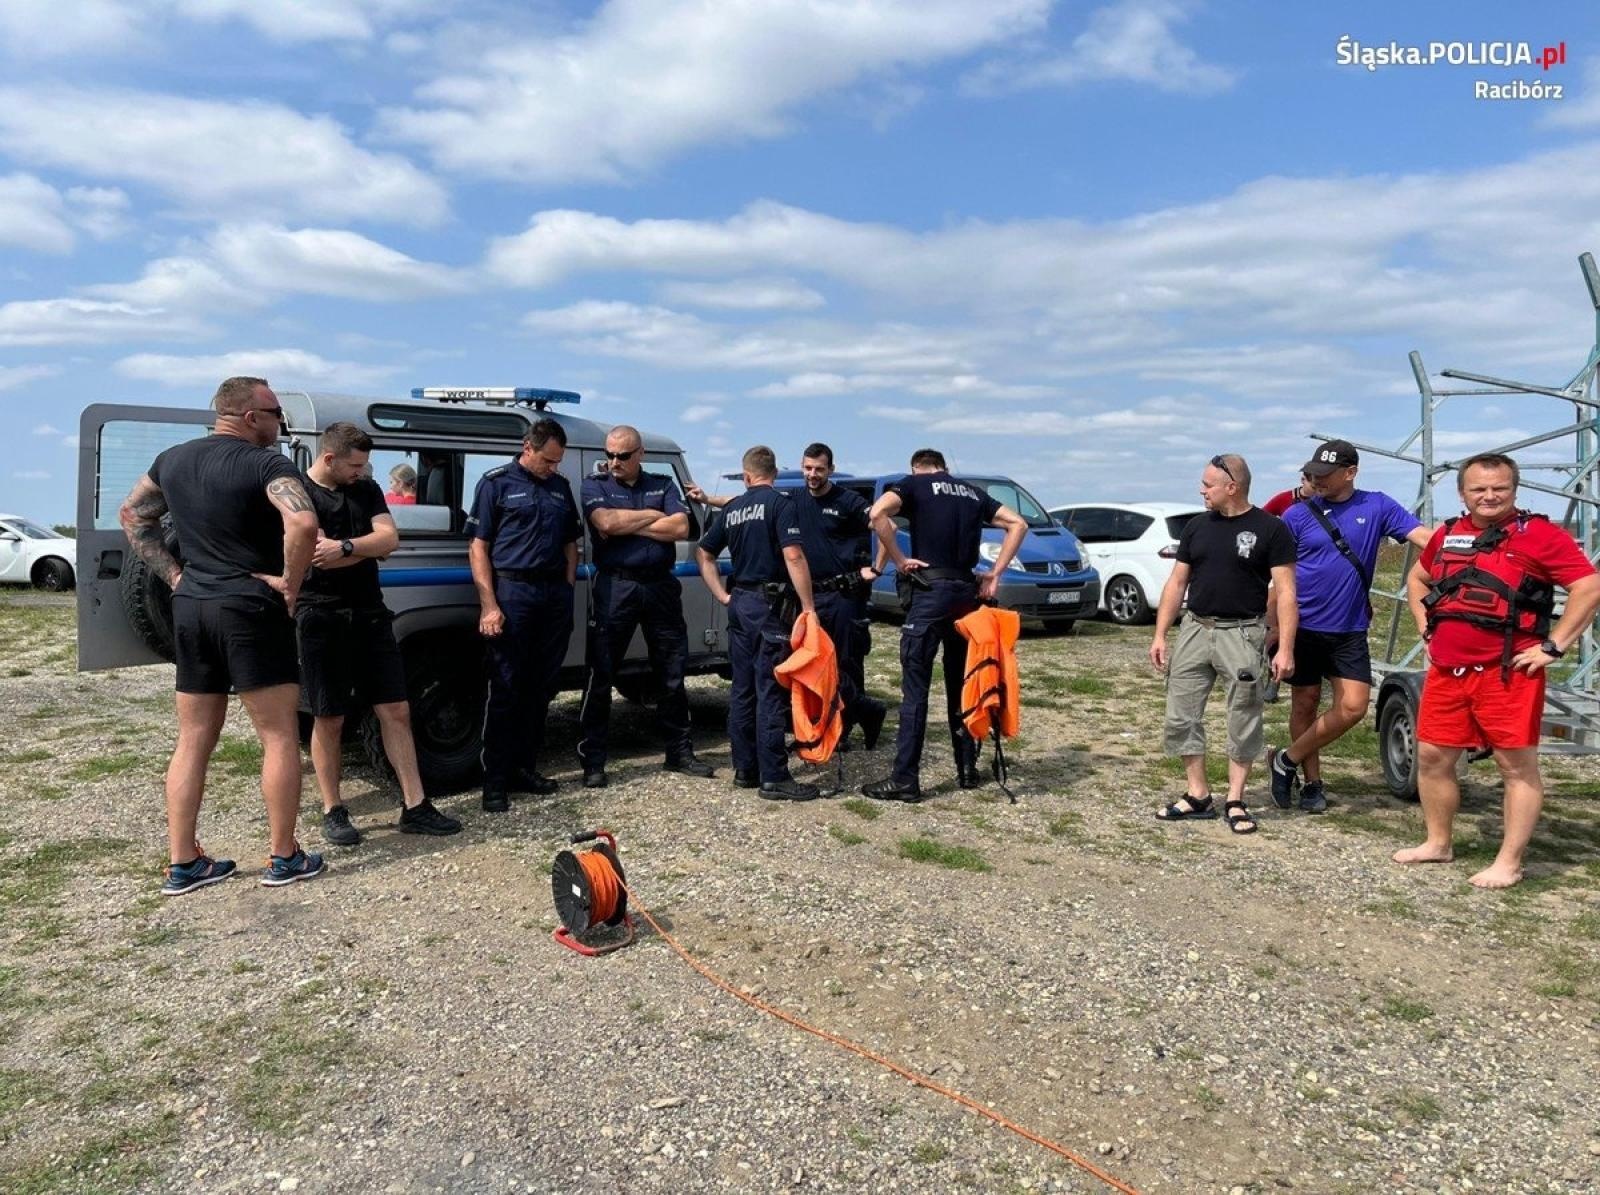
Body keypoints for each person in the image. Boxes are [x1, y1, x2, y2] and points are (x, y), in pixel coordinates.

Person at [118, 376, 323, 893]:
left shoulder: (173, 459)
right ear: (250, 416)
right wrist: (291, 585)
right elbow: (301, 524)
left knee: (192, 740)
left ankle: (184, 863)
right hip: (250, 606)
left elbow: (133, 515)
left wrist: (174, 576)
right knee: (277, 736)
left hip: (191, 607)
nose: (281, 423)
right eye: (276, 412)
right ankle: (285, 857)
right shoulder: (266, 464)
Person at [1393, 452, 1600, 888]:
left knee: (1515, 766)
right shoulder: (1448, 533)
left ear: (1514, 489)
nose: (1488, 496)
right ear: (1462, 492)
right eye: (1479, 489)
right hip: (1448, 671)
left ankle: (1509, 862)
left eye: (1498, 488)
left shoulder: (1539, 535)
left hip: (1507, 672)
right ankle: (1438, 843)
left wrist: (1554, 646)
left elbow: (1589, 585)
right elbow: (1418, 580)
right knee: (1432, 757)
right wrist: (1425, 629)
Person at [297, 422, 462, 843]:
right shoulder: (298, 492)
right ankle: (333, 810)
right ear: (329, 458)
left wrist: (348, 547)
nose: (361, 472)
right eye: (354, 465)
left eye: (365, 465)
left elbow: (388, 539)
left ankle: (415, 806)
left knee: (397, 711)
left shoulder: (367, 490)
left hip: (371, 614)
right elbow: (314, 556)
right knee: (329, 716)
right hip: (321, 615)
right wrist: (358, 547)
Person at [1265, 440, 1433, 813]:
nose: (1317, 480)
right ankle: (1312, 784)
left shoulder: (1377, 506)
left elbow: (1425, 538)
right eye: (1314, 473)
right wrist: (1275, 626)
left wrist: (1464, 549)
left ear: (1351, 472)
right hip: (1304, 626)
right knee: (1304, 704)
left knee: (1354, 707)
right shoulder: (1298, 515)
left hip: (1349, 628)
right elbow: (1280, 580)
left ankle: (1285, 760)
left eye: (1325, 474)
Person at [859, 449, 1027, 802]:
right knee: (962, 682)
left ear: (916, 468)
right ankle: (966, 770)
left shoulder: (915, 485)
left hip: (930, 593)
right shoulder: (970, 491)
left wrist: (901, 560)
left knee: (915, 690)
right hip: (966, 595)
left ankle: (905, 780)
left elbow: (877, 514)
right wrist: (995, 574)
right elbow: (1018, 524)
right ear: (944, 468)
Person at [1150, 453, 1296, 835]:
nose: (1202, 490)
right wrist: (1161, 633)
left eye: (1208, 484)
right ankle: (1198, 794)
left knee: (1243, 716)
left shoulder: (1271, 529)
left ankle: (1235, 799)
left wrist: (1285, 647)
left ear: (1232, 487)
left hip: (1243, 633)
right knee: (1181, 714)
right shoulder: (1197, 527)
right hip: (1196, 629)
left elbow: (1285, 592)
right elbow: (1176, 583)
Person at [577, 424, 715, 787]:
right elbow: (604, 521)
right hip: (616, 586)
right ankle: (593, 761)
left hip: (659, 585)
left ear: (640, 454)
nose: (613, 462)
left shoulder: (663, 484)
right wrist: (655, 517)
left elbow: (682, 528)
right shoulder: (596, 485)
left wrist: (629, 526)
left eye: (622, 456)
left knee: (671, 672)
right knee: (602, 674)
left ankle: (679, 753)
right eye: (609, 454)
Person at [468, 418, 581, 812]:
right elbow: (478, 547)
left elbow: (571, 541)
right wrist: (489, 604)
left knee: (541, 688)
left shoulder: (560, 488)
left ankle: (525, 768)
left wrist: (566, 587)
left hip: (552, 594)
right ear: (528, 448)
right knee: (506, 688)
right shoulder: (496, 483)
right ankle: (495, 781)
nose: (553, 467)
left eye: (558, 462)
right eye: (548, 460)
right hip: (512, 591)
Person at [694, 445, 819, 801]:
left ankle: (745, 769)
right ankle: (775, 776)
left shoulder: (733, 509)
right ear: (774, 473)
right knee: (770, 691)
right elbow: (793, 555)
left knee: (742, 689)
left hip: (740, 603)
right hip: (770, 607)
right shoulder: (781, 504)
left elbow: (704, 553)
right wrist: (809, 607)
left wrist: (721, 594)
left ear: (747, 477)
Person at [796, 443, 888, 751]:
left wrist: (876, 568)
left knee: (847, 661)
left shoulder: (848, 500)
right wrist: (708, 499)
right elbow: (747, 499)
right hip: (813, 594)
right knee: (815, 662)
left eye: (819, 469)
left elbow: (882, 524)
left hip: (844, 594)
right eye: (808, 468)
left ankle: (846, 727)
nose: (813, 474)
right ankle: (849, 715)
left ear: (830, 470)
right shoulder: (796, 499)